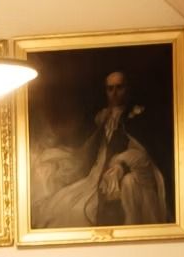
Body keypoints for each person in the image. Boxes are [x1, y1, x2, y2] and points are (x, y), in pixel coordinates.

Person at [36, 66, 168, 228]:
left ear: (127, 89)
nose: (114, 93)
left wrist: (120, 166)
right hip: (96, 173)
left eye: (119, 88)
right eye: (110, 89)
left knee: (81, 211)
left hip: (122, 173)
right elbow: (93, 148)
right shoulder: (103, 117)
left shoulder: (137, 117)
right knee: (58, 206)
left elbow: (142, 155)